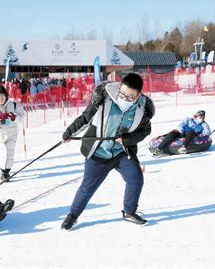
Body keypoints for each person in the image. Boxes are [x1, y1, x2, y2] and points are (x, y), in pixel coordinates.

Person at [60, 73, 154, 230]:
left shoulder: (141, 110)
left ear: (138, 96)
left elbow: (146, 130)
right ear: (119, 88)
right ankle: (73, 215)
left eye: (130, 97)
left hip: (121, 152)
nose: (124, 98)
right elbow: (85, 118)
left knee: (136, 179)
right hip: (98, 153)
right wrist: (69, 133)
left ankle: (129, 211)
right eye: (122, 94)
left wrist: (127, 140)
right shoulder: (105, 98)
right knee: (87, 187)